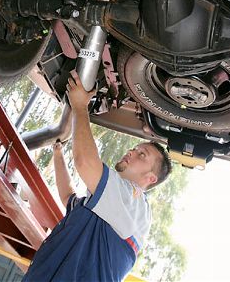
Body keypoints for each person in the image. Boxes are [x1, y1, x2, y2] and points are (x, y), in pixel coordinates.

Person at [22, 70, 172, 282]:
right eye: (134, 148)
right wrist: (58, 154)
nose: (131, 152)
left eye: (141, 155)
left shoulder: (135, 203)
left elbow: (85, 162)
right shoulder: (109, 207)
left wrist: (80, 106)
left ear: (150, 178)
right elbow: (69, 198)